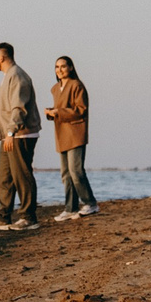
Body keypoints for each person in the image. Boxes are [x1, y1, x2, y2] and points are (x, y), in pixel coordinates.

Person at [0, 41, 41, 231]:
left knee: (22, 176)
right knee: (5, 177)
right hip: (9, 135)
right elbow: (9, 110)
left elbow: (19, 108)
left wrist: (10, 131)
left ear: (2, 57)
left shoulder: (17, 76)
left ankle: (28, 217)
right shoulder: (8, 77)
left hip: (20, 136)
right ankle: (3, 216)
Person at [45, 55, 97, 220]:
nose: (59, 70)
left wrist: (58, 112)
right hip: (61, 134)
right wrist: (52, 112)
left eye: (63, 66)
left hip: (75, 133)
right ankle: (71, 208)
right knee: (66, 173)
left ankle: (91, 203)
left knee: (76, 171)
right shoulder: (55, 88)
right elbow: (60, 109)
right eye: (57, 67)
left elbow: (81, 110)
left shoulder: (77, 85)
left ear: (71, 68)